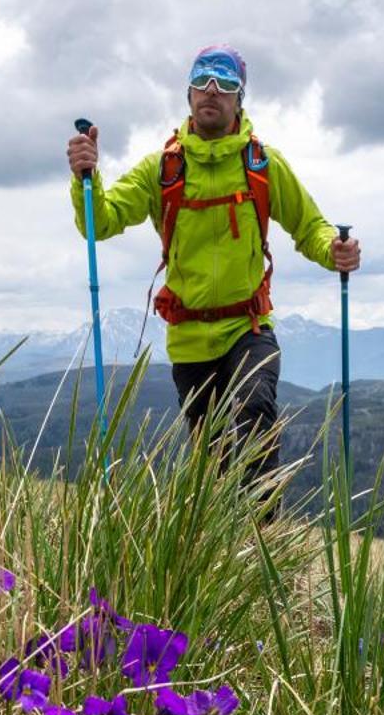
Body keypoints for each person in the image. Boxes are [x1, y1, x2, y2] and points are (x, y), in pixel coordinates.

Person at [65, 44, 360, 500]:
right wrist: (86, 177)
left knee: (255, 411)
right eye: (202, 80)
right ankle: (227, 549)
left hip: (250, 324)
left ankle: (263, 541)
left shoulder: (261, 165)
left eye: (225, 84)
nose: (212, 91)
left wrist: (333, 250)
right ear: (188, 95)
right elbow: (98, 222)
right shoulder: (162, 168)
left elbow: (309, 226)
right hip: (189, 339)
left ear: (240, 100)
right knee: (216, 458)